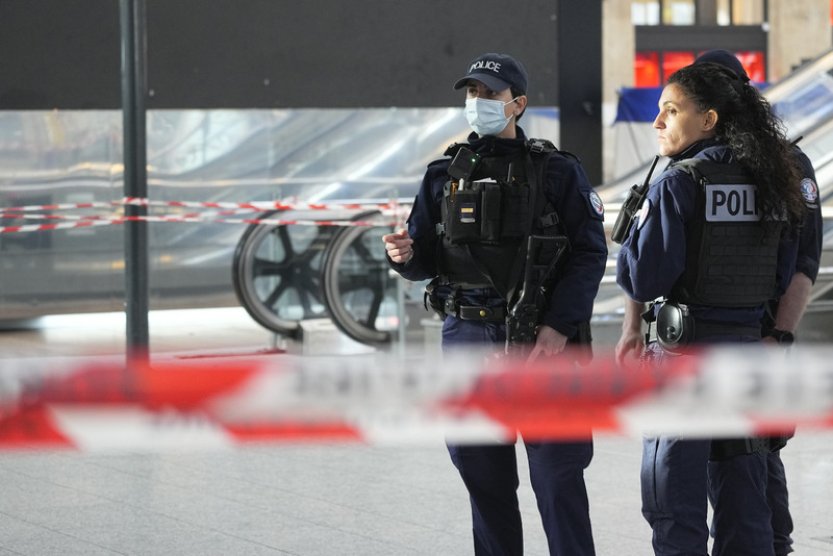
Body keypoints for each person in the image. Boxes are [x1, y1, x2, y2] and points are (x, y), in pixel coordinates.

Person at [383, 52, 607, 555]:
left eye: (489, 94)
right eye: (472, 93)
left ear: (518, 104)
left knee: (557, 480)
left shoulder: (556, 173)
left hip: (544, 344)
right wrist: (405, 256)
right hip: (467, 337)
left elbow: (591, 254)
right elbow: (426, 257)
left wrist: (557, 326)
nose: (477, 102)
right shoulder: (444, 174)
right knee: (483, 479)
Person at [614, 61, 806, 556]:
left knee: (673, 501)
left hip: (685, 362)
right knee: (746, 501)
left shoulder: (680, 182)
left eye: (671, 110)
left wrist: (634, 232)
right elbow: (784, 275)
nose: (658, 123)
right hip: (748, 360)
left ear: (709, 120)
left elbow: (644, 277)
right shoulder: (772, 181)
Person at [693, 49, 824, 556]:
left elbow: (803, 264)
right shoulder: (693, 164)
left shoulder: (788, 164)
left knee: (753, 452)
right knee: (732, 455)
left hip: (760, 332)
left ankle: (770, 544)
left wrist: (779, 335)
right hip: (708, 336)